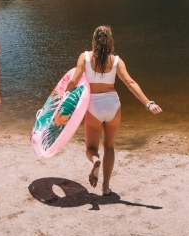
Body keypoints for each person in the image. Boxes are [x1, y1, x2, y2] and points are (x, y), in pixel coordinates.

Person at [65, 26, 162, 195]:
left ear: (94, 40)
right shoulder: (117, 61)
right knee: (109, 146)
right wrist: (148, 103)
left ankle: (95, 160)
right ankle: (106, 187)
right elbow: (130, 83)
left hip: (94, 105)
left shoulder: (85, 57)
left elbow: (73, 81)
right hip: (113, 105)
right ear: (110, 41)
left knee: (90, 148)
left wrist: (61, 98)